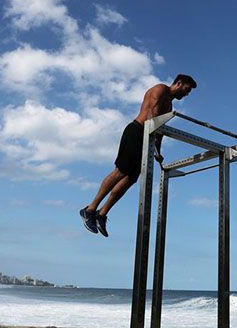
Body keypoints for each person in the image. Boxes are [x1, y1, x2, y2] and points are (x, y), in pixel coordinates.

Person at [80, 75, 197, 238]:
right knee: (120, 172)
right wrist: (153, 138)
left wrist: (158, 151)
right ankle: (90, 209)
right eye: (186, 90)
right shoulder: (160, 89)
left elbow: (160, 129)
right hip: (136, 131)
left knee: (131, 179)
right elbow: (152, 114)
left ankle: (102, 213)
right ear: (178, 84)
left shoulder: (169, 106)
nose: (186, 94)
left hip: (148, 137)